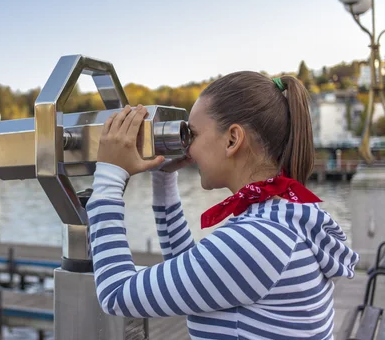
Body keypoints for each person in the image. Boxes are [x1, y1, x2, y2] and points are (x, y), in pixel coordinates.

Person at [86, 71, 358, 339]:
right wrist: (163, 177)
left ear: (232, 139)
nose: (187, 148)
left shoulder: (257, 241)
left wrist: (109, 176)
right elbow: (190, 270)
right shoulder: (283, 215)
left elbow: (117, 294)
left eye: (192, 135)